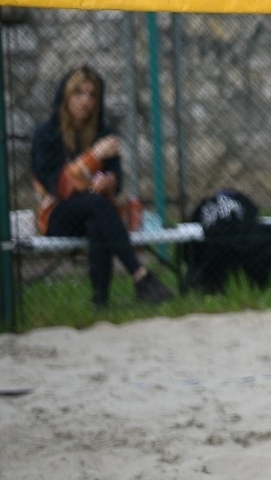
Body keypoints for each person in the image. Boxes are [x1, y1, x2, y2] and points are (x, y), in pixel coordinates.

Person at [30, 66, 175, 311]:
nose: (85, 101)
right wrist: (93, 157)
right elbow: (58, 187)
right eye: (78, 93)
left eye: (91, 95)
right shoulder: (47, 135)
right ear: (66, 96)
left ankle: (101, 302)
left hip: (94, 210)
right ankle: (140, 275)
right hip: (56, 214)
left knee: (96, 219)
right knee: (96, 206)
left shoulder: (103, 132)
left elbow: (116, 183)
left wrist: (107, 183)